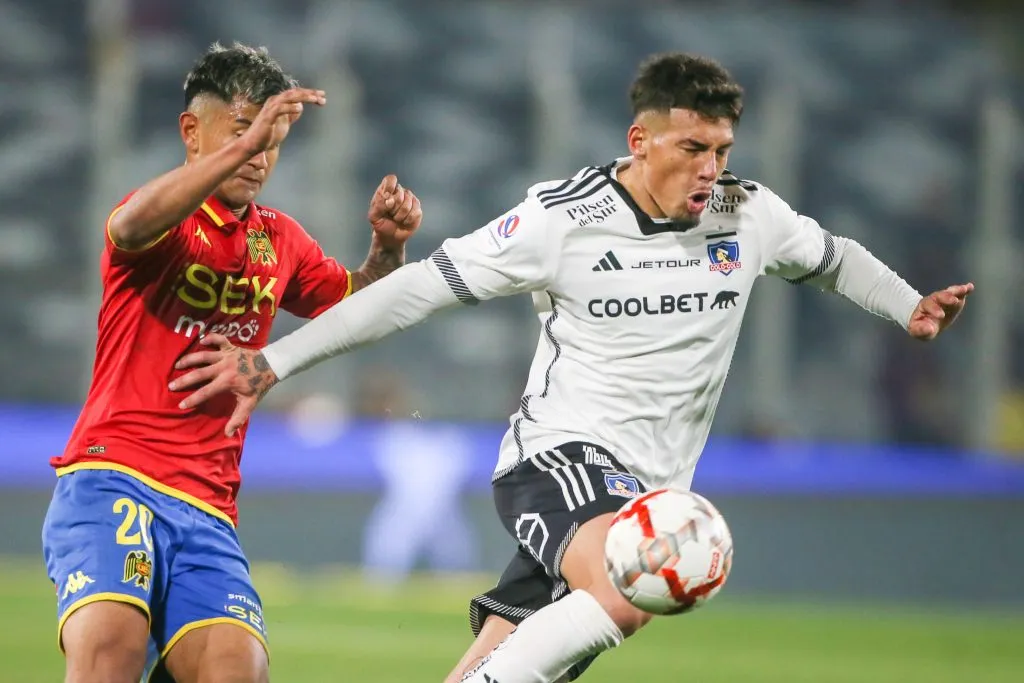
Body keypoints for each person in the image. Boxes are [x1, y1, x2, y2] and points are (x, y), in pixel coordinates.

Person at [169, 52, 973, 683]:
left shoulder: (746, 213)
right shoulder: (562, 220)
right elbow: (416, 289)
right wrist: (275, 359)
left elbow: (831, 257)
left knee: (513, 646)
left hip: (651, 485)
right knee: (636, 581)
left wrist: (908, 306)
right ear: (641, 140)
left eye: (721, 149)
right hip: (558, 458)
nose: (709, 168)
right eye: (692, 147)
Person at [43, 42, 422, 683]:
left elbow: (360, 306)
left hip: (208, 508)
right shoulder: (163, 215)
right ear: (193, 132)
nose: (261, 155)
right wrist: (239, 149)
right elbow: (129, 227)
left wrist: (387, 251)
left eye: (271, 140)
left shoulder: (280, 239)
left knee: (238, 672)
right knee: (109, 653)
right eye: (244, 132)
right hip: (114, 477)